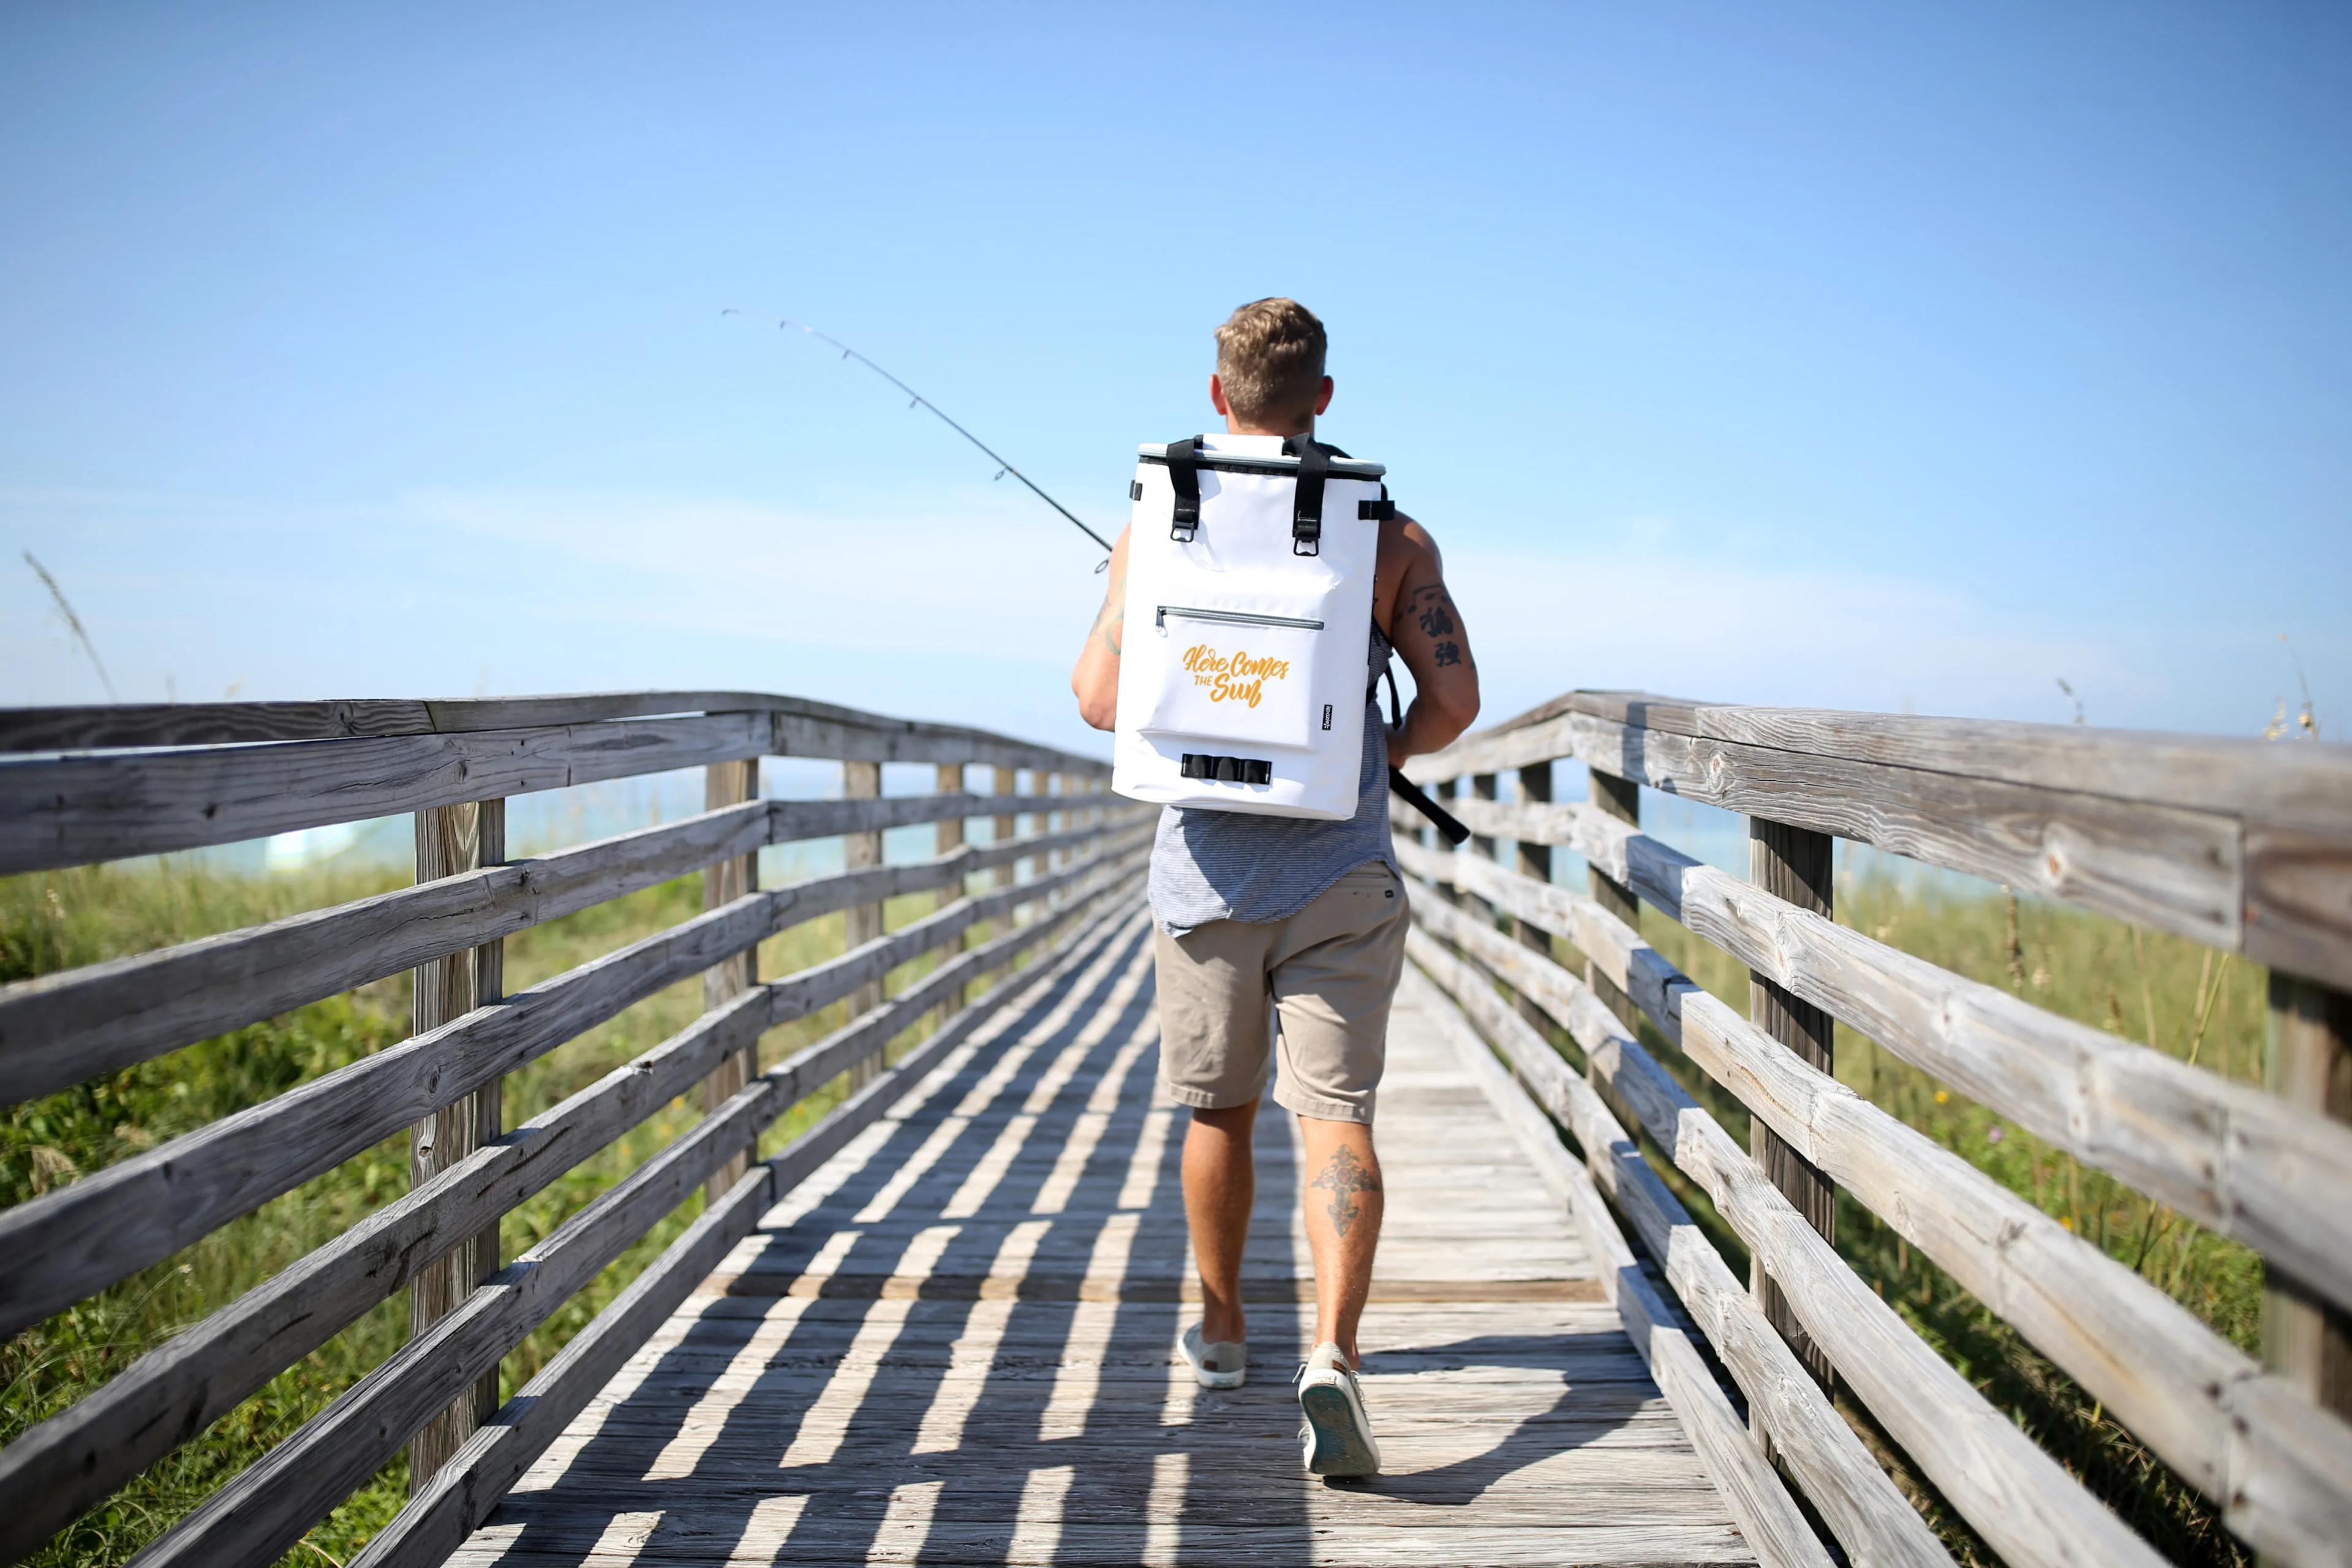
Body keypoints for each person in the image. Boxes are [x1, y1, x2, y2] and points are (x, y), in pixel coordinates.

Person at [1070, 298, 1481, 1477]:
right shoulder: (1390, 539)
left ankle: (1222, 1326)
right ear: (1325, 402)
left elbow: (1100, 704)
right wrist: (1375, 755)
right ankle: (1336, 1357)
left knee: (1219, 1111)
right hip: (1344, 870)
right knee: (1337, 1118)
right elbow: (1453, 704)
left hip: (1203, 879)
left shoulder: (1156, 525)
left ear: (1217, 398)